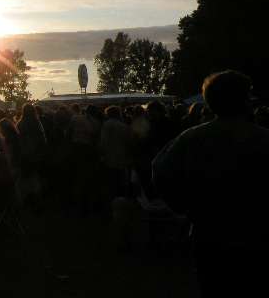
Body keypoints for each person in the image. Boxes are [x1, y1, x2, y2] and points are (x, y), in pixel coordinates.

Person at [153, 71, 269, 297]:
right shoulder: (263, 139)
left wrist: (183, 208)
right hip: (257, 236)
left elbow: (160, 171)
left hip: (208, 235)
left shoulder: (190, 138)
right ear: (243, 100)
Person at [100, 106, 133, 198]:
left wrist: (102, 154)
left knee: (112, 180)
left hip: (109, 157)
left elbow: (103, 142)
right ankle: (122, 197)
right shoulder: (123, 126)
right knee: (121, 180)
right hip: (122, 157)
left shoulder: (106, 125)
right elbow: (129, 142)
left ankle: (114, 198)